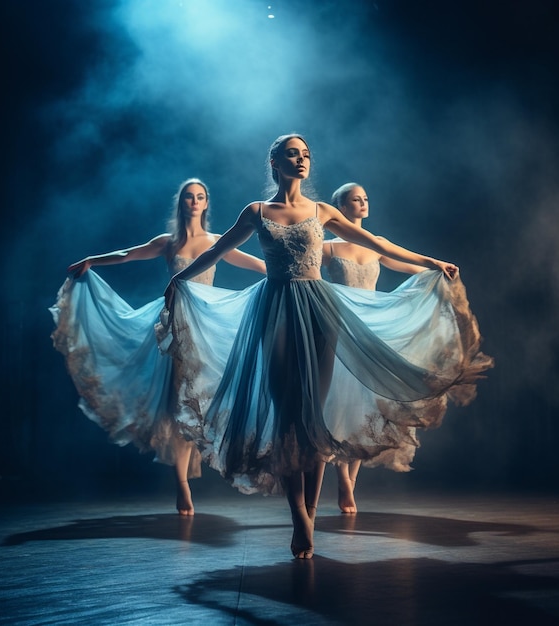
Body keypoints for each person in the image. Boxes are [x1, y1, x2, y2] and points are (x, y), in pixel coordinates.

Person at [157, 134, 493, 559]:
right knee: (286, 416)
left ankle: (310, 512)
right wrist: (178, 280)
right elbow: (218, 252)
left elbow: (380, 245)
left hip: (319, 312)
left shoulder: (322, 211)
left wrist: (432, 262)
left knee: (313, 416)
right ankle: (298, 514)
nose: (302, 160)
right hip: (274, 309)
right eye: (293, 154)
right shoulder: (257, 212)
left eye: (306, 155)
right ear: (275, 163)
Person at [50, 178, 266, 515]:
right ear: (181, 204)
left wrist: (295, 270)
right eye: (188, 197)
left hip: (206, 327)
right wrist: (93, 259)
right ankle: (182, 485)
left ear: (206, 203)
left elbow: (259, 265)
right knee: (176, 407)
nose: (194, 202)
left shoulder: (216, 241)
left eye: (200, 197)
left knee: (207, 403)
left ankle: (232, 460)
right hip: (174, 326)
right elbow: (128, 254)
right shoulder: (169, 242)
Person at [323, 182, 428, 514]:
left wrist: (436, 271)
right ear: (340, 206)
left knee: (367, 406)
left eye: (366, 198)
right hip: (339, 330)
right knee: (341, 403)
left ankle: (350, 480)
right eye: (356, 199)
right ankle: (342, 479)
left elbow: (409, 264)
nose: (364, 203)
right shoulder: (327, 247)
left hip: (371, 330)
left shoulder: (377, 244)